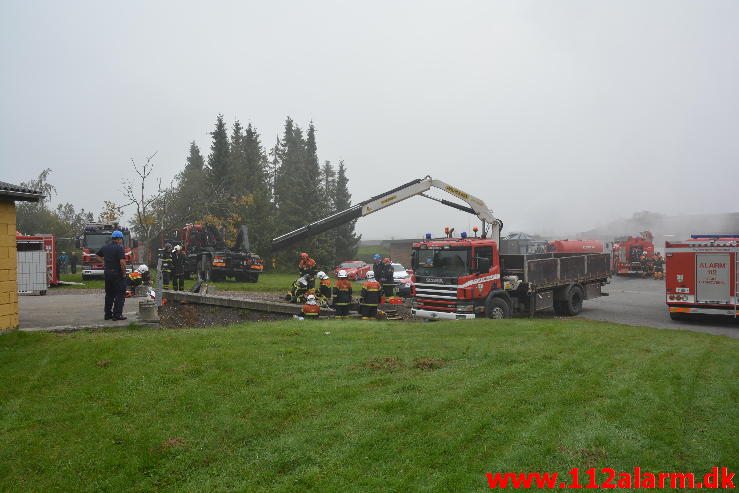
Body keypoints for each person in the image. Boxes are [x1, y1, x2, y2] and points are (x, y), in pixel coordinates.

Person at [96, 230, 128, 321]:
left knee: (109, 294)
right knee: (120, 294)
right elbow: (122, 262)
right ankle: (117, 315)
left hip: (108, 274)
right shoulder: (119, 248)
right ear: (119, 238)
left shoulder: (105, 247)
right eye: (121, 238)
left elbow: (97, 255)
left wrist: (103, 262)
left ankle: (108, 314)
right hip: (117, 274)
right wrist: (124, 273)